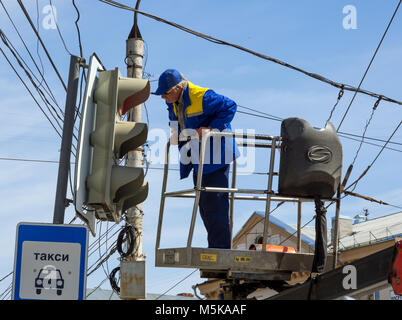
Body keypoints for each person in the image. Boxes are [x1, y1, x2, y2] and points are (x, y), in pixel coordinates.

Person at [154, 69, 239, 249]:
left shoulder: (201, 96)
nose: (163, 97)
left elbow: (230, 106)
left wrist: (211, 128)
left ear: (177, 88)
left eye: (165, 93)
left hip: (217, 156)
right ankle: (216, 249)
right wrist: (176, 134)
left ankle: (221, 251)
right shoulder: (174, 102)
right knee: (206, 208)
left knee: (216, 206)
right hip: (198, 158)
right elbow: (177, 123)